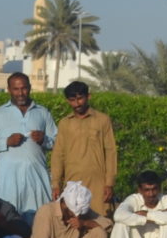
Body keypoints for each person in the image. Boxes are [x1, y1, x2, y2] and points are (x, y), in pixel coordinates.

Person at [0, 73, 57, 216]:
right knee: (8, 220)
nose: (20, 93)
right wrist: (6, 142)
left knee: (38, 220)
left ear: (30, 88)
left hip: (36, 179)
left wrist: (44, 140)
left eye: (24, 88)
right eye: (16, 89)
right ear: (9, 89)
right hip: (7, 179)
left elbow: (58, 143)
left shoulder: (42, 112)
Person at [48, 82, 118, 215]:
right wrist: (56, 184)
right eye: (72, 100)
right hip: (73, 183)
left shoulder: (102, 120)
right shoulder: (65, 123)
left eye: (80, 98)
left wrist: (109, 183)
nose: (77, 103)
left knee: (101, 221)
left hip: (98, 183)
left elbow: (110, 152)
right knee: (75, 220)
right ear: (68, 100)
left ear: (88, 96)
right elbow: (58, 154)